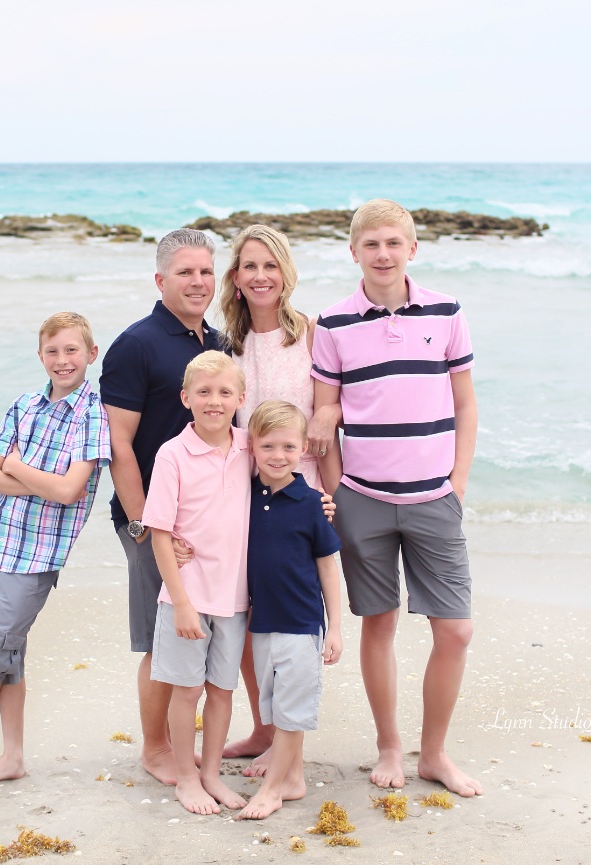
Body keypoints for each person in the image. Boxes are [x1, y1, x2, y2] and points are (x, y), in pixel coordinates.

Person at [311, 199, 483, 797]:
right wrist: (334, 491)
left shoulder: (446, 310)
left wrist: (457, 482)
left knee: (455, 630)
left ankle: (434, 754)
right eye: (371, 244)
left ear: (413, 249)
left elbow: (465, 404)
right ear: (353, 251)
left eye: (393, 243)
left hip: (435, 498)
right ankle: (389, 746)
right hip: (362, 498)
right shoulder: (331, 324)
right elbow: (323, 415)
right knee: (378, 624)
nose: (382, 254)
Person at [0, 312, 110, 789]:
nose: (62, 360)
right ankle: (12, 755)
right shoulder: (24, 405)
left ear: (91, 354)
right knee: (10, 651)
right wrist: (31, 477)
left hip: (38, 555)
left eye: (71, 350)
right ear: (40, 356)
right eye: (52, 351)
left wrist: (18, 470)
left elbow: (70, 492)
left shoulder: (91, 415)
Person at [216, 224, 341, 772]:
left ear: (285, 273)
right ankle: (263, 728)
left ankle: (288, 743)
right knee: (246, 615)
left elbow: (326, 425)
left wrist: (332, 497)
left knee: (293, 618)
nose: (260, 275)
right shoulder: (225, 345)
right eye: (249, 266)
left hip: (303, 494)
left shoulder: (313, 336)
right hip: (243, 496)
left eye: (270, 265)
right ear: (237, 278)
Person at [99, 228, 222, 785]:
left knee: (196, 632)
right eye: (185, 273)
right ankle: (154, 749)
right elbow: (117, 444)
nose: (198, 283)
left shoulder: (215, 342)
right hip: (149, 520)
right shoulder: (137, 344)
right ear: (160, 280)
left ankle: (180, 743)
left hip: (206, 522)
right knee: (159, 636)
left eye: (205, 272)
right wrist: (146, 525)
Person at [142, 351, 251, 814]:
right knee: (186, 691)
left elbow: (289, 484)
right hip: (186, 595)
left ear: (240, 398)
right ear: (186, 398)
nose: (214, 401)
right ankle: (187, 776)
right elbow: (160, 533)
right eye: (204, 392)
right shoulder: (172, 454)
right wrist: (182, 603)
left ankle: (211, 774)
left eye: (225, 392)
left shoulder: (251, 447)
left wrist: (323, 505)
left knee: (223, 691)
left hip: (236, 596)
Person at [236, 401, 343, 821]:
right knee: (276, 704)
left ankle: (272, 788)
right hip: (260, 620)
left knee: (293, 705)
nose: (278, 455)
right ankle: (293, 776)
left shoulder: (313, 503)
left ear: (303, 449)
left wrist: (335, 628)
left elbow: (328, 570)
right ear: (251, 447)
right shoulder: (245, 496)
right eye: (267, 446)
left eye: (287, 446)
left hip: (301, 621)